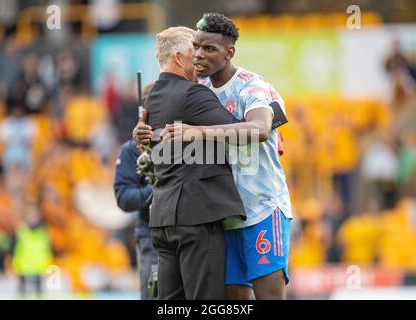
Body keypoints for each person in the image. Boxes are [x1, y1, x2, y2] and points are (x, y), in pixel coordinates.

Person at [134, 13, 292, 300]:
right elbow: (168, 120)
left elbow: (260, 128)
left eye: (209, 49)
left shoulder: (252, 86)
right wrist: (147, 133)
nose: (198, 54)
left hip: (262, 207)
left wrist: (200, 133)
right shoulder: (199, 88)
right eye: (195, 46)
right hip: (225, 215)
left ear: (229, 53)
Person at [143, 26, 247, 300]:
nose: (200, 57)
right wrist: (270, 109)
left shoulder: (152, 97)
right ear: (178, 57)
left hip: (163, 220)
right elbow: (239, 132)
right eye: (195, 50)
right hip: (197, 217)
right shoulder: (193, 94)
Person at [113, 83, 158, 300]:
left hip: (185, 234)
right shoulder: (132, 149)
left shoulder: (183, 142)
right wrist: (155, 190)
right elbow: (123, 197)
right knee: (153, 294)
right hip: (151, 235)